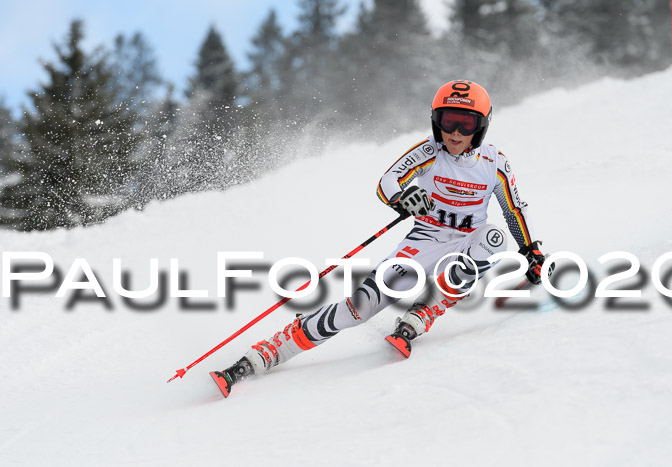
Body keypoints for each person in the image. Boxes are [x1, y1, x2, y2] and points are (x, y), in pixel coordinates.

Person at [210, 80, 550, 398]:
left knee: (494, 238)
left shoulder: (494, 163)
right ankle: (268, 352)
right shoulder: (430, 152)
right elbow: (387, 182)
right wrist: (403, 199)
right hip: (426, 239)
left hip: (469, 238)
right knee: (362, 307)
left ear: (482, 125)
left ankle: (424, 313)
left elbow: (515, 209)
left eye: (466, 123)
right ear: (436, 122)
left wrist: (532, 252)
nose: (456, 132)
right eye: (447, 122)